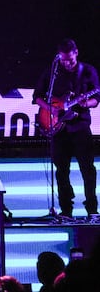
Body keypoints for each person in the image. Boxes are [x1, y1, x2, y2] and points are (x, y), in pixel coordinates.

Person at [34, 39, 99, 218]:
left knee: (88, 169)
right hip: (59, 130)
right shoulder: (53, 72)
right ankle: (66, 210)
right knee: (61, 171)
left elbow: (96, 98)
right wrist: (51, 109)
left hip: (80, 127)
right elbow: (37, 97)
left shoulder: (87, 71)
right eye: (63, 60)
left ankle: (92, 209)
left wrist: (87, 103)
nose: (67, 63)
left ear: (76, 53)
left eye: (69, 59)